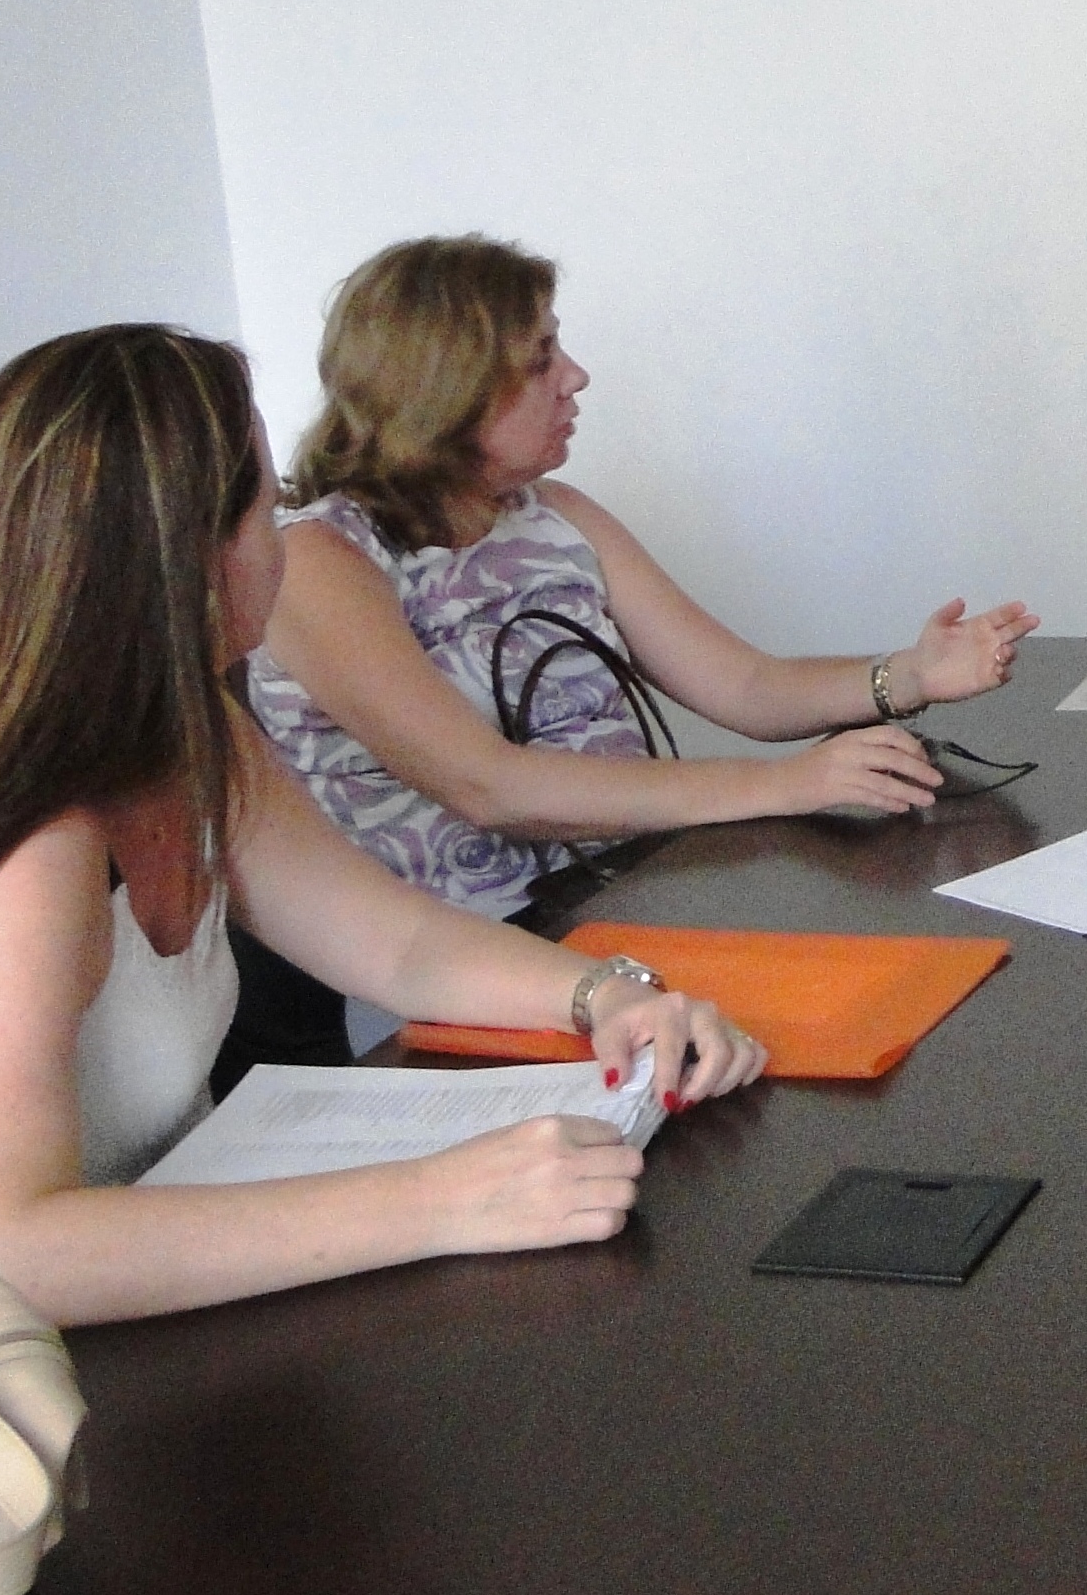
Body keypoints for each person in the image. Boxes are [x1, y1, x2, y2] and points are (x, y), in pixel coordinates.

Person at [0, 324, 768, 1326]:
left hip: (164, 1303)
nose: (286, 533)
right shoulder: (32, 857)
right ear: (191, 553)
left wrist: (606, 994)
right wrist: (444, 1198)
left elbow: (396, 945)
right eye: (268, 505)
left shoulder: (193, 732)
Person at [237, 235, 1036, 1075]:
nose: (575, 376)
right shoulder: (319, 562)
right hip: (453, 990)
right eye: (541, 358)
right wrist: (786, 782)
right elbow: (488, 785)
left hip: (616, 920)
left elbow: (745, 685)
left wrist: (908, 675)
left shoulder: (556, 515)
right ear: (446, 388)